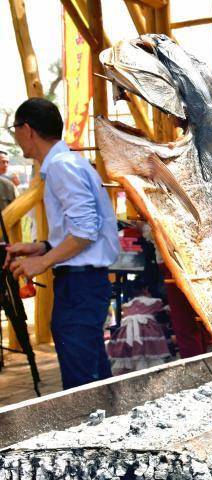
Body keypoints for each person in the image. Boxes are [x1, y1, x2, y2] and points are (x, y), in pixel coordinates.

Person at [6, 98, 119, 389]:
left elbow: (85, 232)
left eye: (15, 129)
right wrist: (42, 247)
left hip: (80, 285)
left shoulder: (61, 166)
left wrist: (42, 262)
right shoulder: (67, 163)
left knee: (82, 382)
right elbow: (81, 230)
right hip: (83, 283)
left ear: (27, 129)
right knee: (93, 375)